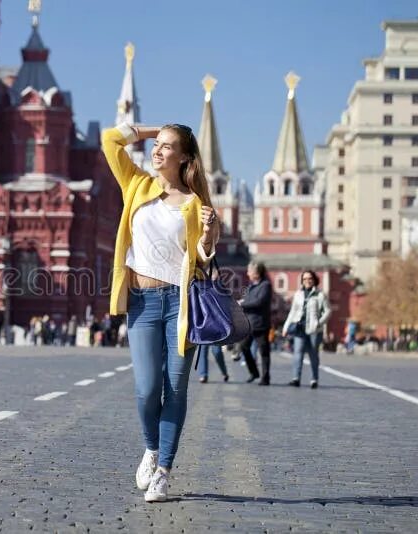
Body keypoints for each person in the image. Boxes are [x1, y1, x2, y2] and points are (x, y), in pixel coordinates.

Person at [102, 122, 219, 502]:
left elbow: (202, 257)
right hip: (142, 302)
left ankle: (164, 471)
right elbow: (110, 139)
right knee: (147, 388)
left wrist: (207, 235)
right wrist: (153, 128)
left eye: (167, 146)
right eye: (157, 144)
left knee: (176, 387)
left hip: (181, 305)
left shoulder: (197, 204)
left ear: (184, 157)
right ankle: (151, 448)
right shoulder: (136, 183)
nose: (157, 150)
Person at [282, 270, 331, 389]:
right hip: (299, 327)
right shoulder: (298, 294)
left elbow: (328, 311)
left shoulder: (320, 294)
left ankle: (314, 379)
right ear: (302, 281)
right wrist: (286, 327)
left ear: (314, 280)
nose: (307, 281)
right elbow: (293, 312)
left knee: (313, 354)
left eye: (310, 279)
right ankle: (296, 378)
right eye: (304, 279)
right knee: (297, 353)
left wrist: (319, 323)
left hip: (314, 330)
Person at [238, 262, 273, 385]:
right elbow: (249, 300)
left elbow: (259, 302)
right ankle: (254, 372)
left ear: (257, 273)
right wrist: (243, 301)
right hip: (249, 323)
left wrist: (242, 304)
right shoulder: (251, 286)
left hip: (260, 324)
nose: (247, 273)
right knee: (243, 347)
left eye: (249, 271)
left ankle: (265, 377)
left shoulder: (266, 285)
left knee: (263, 351)